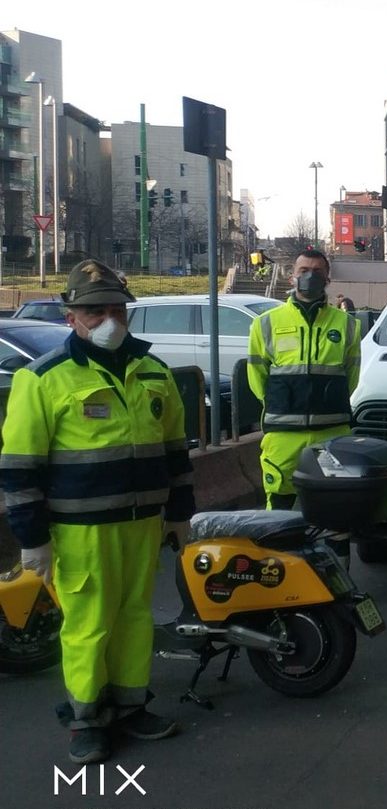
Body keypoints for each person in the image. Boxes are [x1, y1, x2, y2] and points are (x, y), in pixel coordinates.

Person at [2, 260, 195, 764]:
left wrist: (180, 512)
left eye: (116, 310)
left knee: (135, 620)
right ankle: (87, 719)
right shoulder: (42, 379)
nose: (108, 320)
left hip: (142, 526)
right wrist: (32, 538)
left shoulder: (154, 372)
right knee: (88, 625)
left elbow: (176, 451)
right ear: (71, 317)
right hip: (78, 531)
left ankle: (130, 707)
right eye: (94, 311)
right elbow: (20, 468)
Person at [246, 249, 361, 519]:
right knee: (278, 510)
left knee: (333, 511)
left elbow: (351, 377)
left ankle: (331, 560)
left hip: (331, 433)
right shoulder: (265, 324)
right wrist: (282, 404)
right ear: (292, 277)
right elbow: (256, 376)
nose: (310, 276)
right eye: (303, 271)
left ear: (328, 279)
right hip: (283, 434)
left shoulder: (347, 325)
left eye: (317, 272)